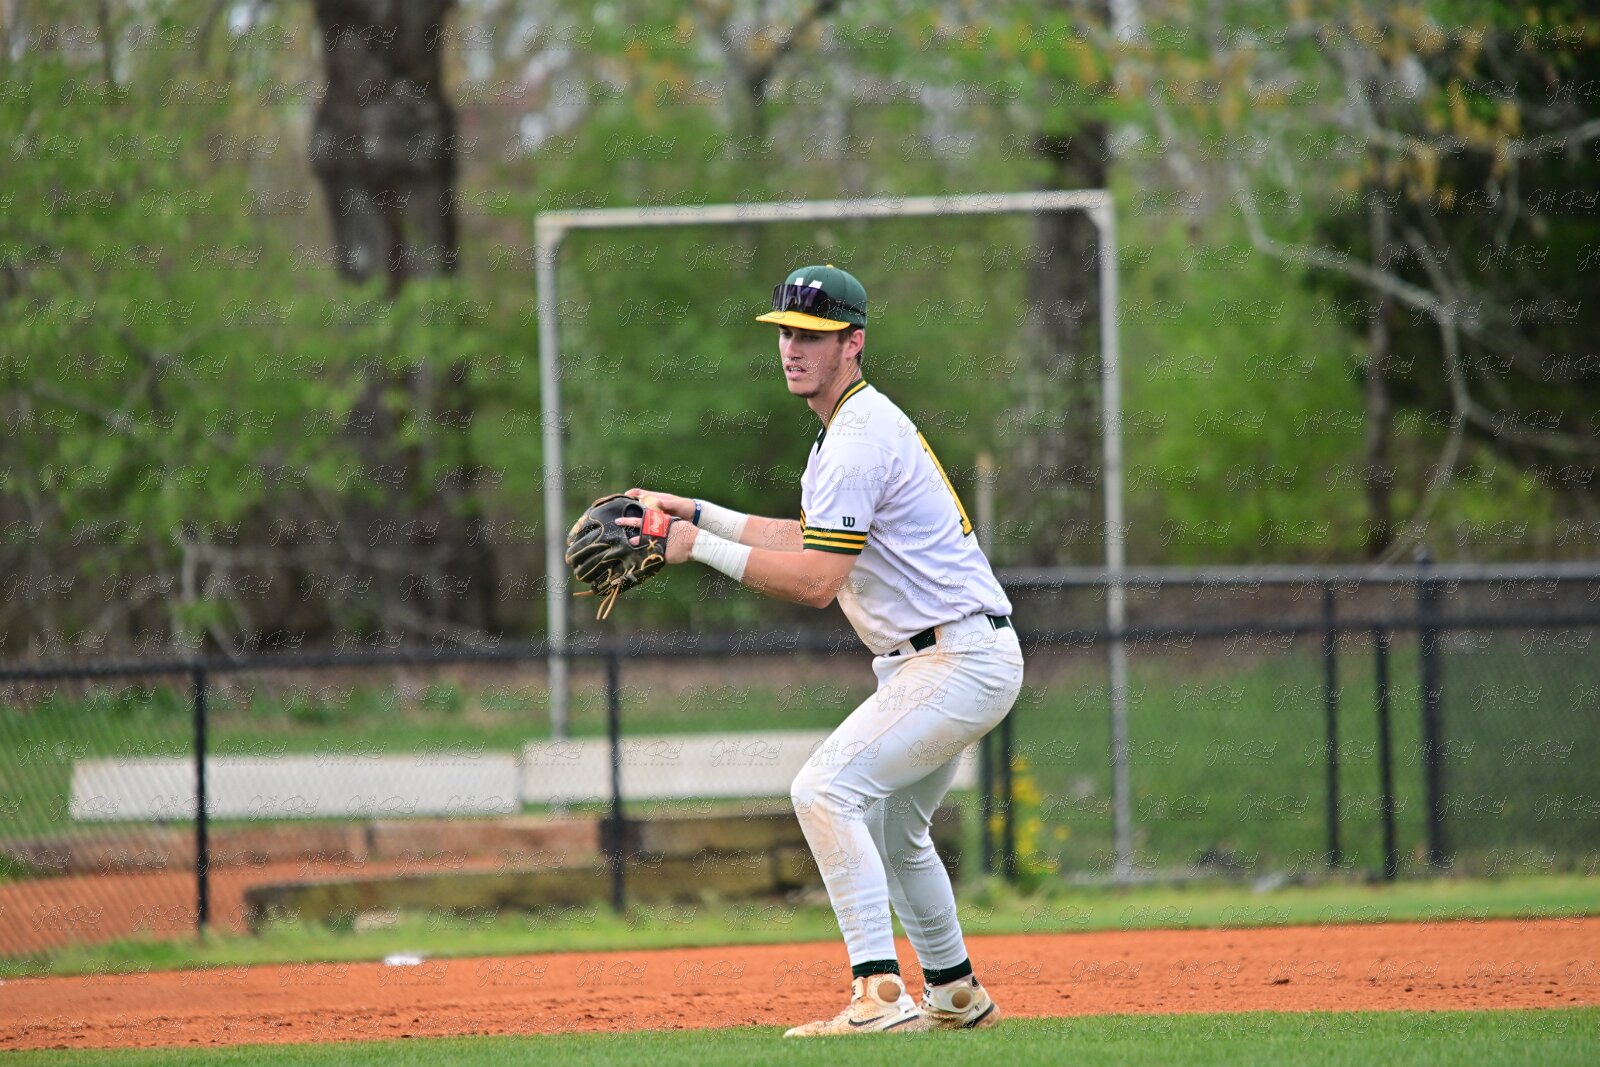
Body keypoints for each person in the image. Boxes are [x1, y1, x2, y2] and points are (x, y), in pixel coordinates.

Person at [621, 264, 1023, 1036]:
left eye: (812, 334)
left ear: (853, 343)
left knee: (822, 790)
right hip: (945, 656)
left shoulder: (858, 438)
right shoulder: (847, 429)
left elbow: (815, 580)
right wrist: (698, 512)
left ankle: (878, 993)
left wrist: (696, 545)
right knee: (896, 830)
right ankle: (955, 992)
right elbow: (809, 539)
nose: (793, 347)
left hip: (955, 659)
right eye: (785, 332)